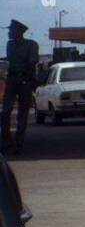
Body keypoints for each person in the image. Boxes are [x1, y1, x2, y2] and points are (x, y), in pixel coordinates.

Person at [3, 20, 40, 154]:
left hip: (24, 79)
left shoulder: (31, 45)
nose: (9, 33)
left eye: (11, 31)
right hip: (12, 78)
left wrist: (27, 80)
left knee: (23, 114)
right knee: (5, 111)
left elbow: (32, 64)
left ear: (19, 32)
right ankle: (6, 142)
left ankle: (19, 143)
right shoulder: (10, 45)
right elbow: (10, 60)